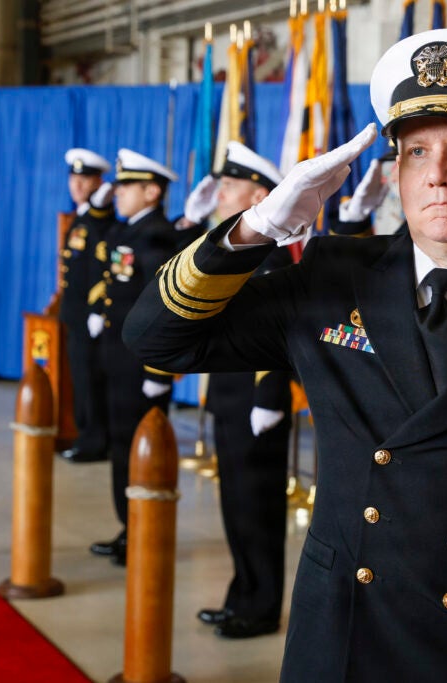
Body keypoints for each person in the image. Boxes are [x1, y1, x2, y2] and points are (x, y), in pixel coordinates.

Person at [125, 29, 447, 682]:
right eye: (414, 152)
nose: (436, 173)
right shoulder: (329, 279)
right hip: (348, 639)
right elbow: (155, 337)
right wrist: (259, 224)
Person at [181, 142, 295, 639]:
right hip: (230, 400)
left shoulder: (270, 258)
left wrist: (270, 398)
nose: (220, 192)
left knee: (257, 511)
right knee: (235, 507)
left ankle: (261, 606)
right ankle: (241, 596)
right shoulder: (232, 252)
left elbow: (281, 335)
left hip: (256, 407)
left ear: (259, 194)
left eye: (230, 185)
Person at [87, 149, 181, 567]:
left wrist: (159, 371)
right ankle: (129, 527)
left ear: (152, 190)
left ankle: (143, 530)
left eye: (128, 186)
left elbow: (165, 308)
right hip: (115, 358)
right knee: (121, 449)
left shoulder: (159, 236)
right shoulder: (126, 232)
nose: (119, 192)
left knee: (139, 450)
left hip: (141, 367)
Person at [57, 148, 113, 463]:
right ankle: (84, 434)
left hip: (90, 315)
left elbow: (102, 267)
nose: (77, 185)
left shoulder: (97, 217)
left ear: (98, 182)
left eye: (85, 179)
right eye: (74, 178)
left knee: (91, 379)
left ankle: (94, 440)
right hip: (75, 313)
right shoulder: (79, 217)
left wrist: (96, 310)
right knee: (81, 377)